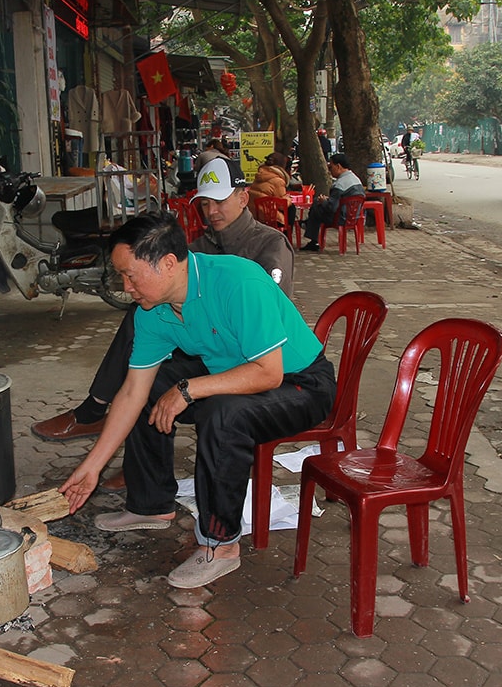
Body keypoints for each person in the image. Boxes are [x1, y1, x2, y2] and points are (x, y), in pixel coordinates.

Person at [57, 211, 336, 589]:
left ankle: (220, 546)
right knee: (153, 388)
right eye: (121, 276)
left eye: (130, 275)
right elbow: (131, 393)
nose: (125, 287)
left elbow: (268, 373)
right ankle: (151, 504)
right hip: (234, 374)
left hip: (300, 384)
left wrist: (189, 389)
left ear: (168, 263)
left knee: (223, 415)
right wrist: (92, 467)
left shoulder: (238, 282)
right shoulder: (152, 312)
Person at [32, 158, 296, 456]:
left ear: (243, 197)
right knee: (144, 336)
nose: (212, 211)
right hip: (207, 344)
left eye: (219, 202)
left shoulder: (270, 245)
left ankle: (97, 411)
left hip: (253, 354)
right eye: (205, 204)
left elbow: (269, 318)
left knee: (158, 353)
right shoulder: (200, 246)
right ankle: (139, 462)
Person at [300, 153, 366, 252]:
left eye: (330, 167)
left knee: (316, 204)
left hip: (340, 217)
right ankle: (309, 226)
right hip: (354, 217)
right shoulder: (356, 179)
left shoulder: (340, 184)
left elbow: (332, 207)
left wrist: (324, 201)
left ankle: (311, 234)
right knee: (317, 206)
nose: (329, 170)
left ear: (338, 166)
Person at [247, 152, 292, 222]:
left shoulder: (259, 175)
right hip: (269, 217)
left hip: (254, 214)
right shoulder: (278, 181)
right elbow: (282, 206)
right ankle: (287, 232)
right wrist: (288, 199)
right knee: (292, 209)